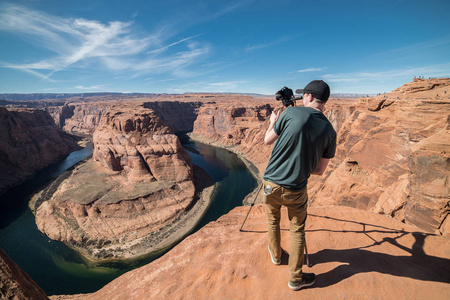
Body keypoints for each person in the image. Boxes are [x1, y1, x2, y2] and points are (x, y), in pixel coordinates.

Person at [262, 80, 336, 291]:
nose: (302, 97)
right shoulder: (330, 131)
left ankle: (276, 256)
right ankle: (296, 278)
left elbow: (268, 140)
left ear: (310, 97)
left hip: (270, 184)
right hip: (295, 189)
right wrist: (301, 165)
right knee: (297, 230)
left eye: (303, 94)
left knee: (273, 220)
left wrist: (272, 121)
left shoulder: (289, 114)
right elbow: (320, 171)